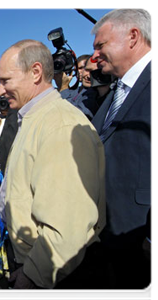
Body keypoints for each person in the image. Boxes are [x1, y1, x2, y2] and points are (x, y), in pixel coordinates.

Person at [0, 39, 106, 299]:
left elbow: (67, 225)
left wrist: (34, 274)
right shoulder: (35, 118)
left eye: (5, 80)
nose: (0, 90)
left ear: (35, 72)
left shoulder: (59, 125)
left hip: (58, 278)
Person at [90, 8, 155, 299]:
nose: (94, 57)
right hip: (115, 239)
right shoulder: (116, 92)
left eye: (100, 45)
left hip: (144, 240)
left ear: (133, 36)